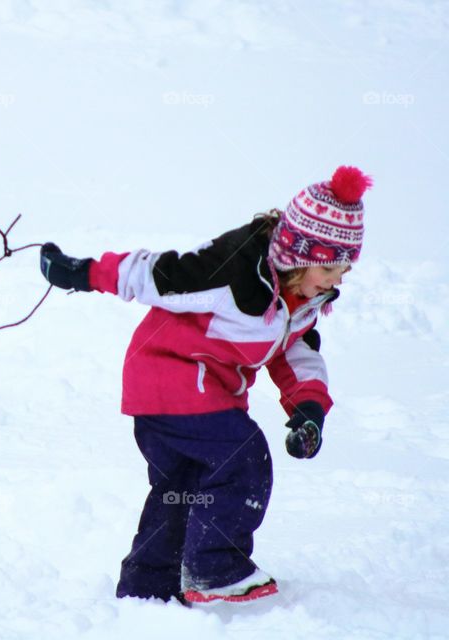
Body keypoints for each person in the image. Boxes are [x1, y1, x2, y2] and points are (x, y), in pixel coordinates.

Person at [39, 166, 371, 604]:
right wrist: (84, 273)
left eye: (344, 269)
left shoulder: (305, 302)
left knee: (183, 489)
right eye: (329, 267)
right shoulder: (234, 269)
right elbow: (157, 275)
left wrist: (308, 410)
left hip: (203, 396)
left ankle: (146, 590)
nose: (336, 280)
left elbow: (295, 355)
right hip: (170, 374)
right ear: (298, 253)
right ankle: (215, 567)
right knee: (243, 458)